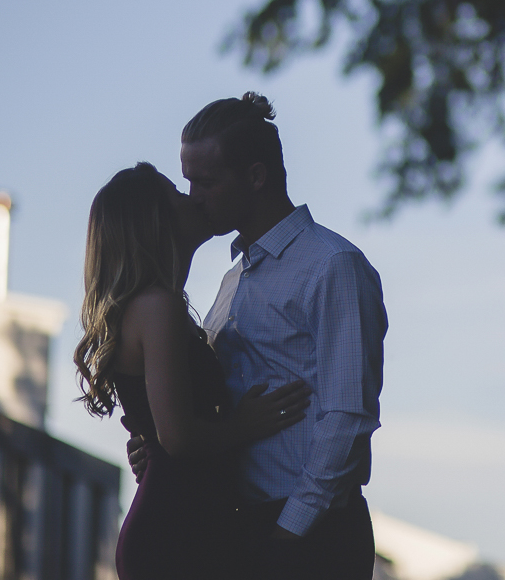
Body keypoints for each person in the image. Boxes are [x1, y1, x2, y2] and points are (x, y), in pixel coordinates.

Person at [131, 92, 388, 579]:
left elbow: (348, 416)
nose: (193, 198)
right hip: (240, 528)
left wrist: (287, 535)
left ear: (255, 175)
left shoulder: (331, 266)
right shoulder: (234, 280)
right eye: (188, 182)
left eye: (206, 182)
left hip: (311, 533)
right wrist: (166, 446)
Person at [74, 162, 312, 580]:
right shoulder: (157, 306)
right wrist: (246, 425)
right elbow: (179, 437)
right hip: (177, 533)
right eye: (177, 194)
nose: (192, 198)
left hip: (193, 524)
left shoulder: (164, 306)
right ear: (156, 221)